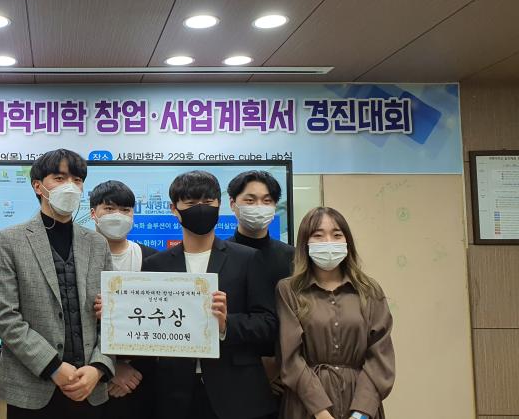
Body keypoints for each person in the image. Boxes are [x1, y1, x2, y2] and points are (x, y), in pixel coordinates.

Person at [0, 149, 115, 419]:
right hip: (31, 389)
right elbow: (5, 318)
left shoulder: (97, 243)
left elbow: (112, 316)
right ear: (38, 186)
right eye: (59, 178)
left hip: (90, 386)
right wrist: (54, 366)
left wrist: (99, 367)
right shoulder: (9, 241)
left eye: (77, 180)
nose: (70, 186)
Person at [143, 170, 277, 419]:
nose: (201, 209)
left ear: (219, 205)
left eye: (208, 202)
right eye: (191, 203)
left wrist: (226, 324)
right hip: (174, 394)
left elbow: (268, 323)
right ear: (174, 209)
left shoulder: (247, 259)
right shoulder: (155, 265)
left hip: (237, 393)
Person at [277, 207, 394, 419]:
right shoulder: (289, 290)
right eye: (318, 235)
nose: (328, 242)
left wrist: (360, 413)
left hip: (360, 402)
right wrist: (321, 412)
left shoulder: (369, 290)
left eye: (337, 235)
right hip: (306, 405)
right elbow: (291, 358)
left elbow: (380, 357)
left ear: (347, 241)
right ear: (305, 243)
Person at [88, 180, 158, 419]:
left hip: (141, 379)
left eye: (125, 209)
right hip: (88, 378)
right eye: (109, 209)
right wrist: (110, 368)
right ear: (93, 213)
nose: (118, 215)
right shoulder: (74, 261)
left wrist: (131, 368)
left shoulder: (153, 260)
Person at [226, 170, 295, 405]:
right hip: (234, 375)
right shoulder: (219, 256)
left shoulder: (293, 257)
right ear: (233, 204)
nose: (259, 207)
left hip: (287, 377)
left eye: (267, 201)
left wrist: (279, 364)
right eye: (250, 200)